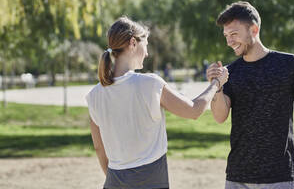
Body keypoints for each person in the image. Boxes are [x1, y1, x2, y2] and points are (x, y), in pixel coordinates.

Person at [86, 16, 228, 189]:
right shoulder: (150, 84)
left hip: (114, 181)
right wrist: (217, 83)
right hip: (152, 181)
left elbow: (99, 147)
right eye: (145, 45)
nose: (147, 53)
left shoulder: (94, 95)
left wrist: (114, 178)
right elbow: (194, 110)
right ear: (133, 43)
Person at [206, 1, 294, 189]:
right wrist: (218, 87)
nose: (229, 41)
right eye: (226, 36)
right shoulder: (230, 72)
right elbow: (219, 116)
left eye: (234, 34)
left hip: (279, 177)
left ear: (254, 30)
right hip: (237, 178)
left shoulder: (289, 64)